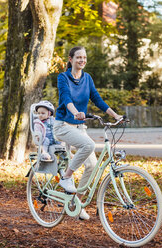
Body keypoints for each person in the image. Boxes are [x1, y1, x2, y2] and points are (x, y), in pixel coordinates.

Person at [53, 46, 122, 220]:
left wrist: (115, 115)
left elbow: (96, 98)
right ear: (70, 59)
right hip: (63, 125)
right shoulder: (63, 77)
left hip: (79, 127)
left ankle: (76, 203)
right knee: (89, 144)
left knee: (92, 165)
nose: (82, 60)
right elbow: (65, 97)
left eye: (84, 57)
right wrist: (75, 111)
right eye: (78, 57)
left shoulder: (87, 78)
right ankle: (66, 177)